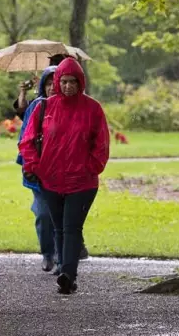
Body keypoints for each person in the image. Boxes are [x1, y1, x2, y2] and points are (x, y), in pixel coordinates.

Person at [19, 57, 109, 295]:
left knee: (71, 227)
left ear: (81, 83)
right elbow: (27, 140)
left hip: (82, 182)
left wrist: (90, 168)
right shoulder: (44, 107)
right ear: (57, 81)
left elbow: (101, 145)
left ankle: (68, 273)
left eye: (73, 82)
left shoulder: (93, 109)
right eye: (64, 81)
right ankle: (63, 270)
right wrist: (36, 166)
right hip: (51, 179)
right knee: (58, 227)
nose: (68, 86)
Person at [16, 65, 59, 272]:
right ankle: (47, 253)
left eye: (55, 83)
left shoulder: (71, 107)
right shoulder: (37, 106)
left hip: (63, 172)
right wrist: (29, 165)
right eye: (48, 83)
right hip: (39, 172)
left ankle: (62, 256)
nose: (52, 87)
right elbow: (25, 138)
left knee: (62, 216)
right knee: (43, 214)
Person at [12, 53, 68, 118]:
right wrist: (23, 92)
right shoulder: (39, 102)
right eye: (49, 84)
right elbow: (23, 110)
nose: (52, 88)